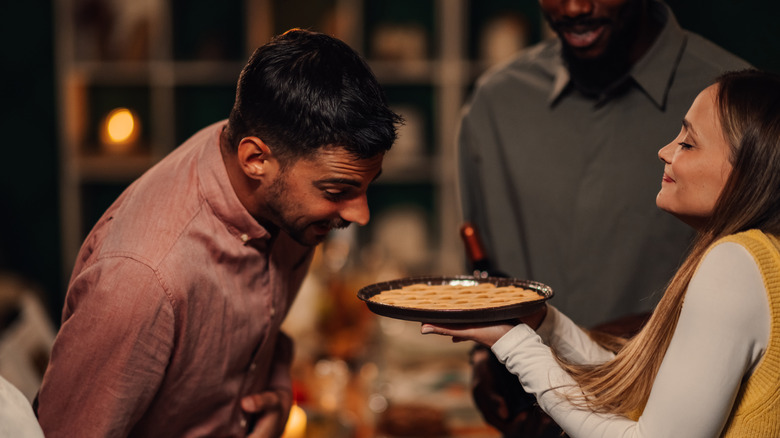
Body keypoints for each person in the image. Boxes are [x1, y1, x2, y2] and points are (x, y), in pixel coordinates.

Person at [35, 29, 401, 437]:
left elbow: (260, 326)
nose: (361, 214)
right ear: (255, 159)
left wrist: (278, 390)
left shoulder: (266, 171)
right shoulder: (141, 280)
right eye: (337, 191)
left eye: (368, 186)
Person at [425, 69, 780, 437]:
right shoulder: (764, 254)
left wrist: (509, 343)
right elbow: (644, 395)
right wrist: (543, 323)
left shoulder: (735, 263)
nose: (665, 151)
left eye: (688, 144)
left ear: (749, 170)